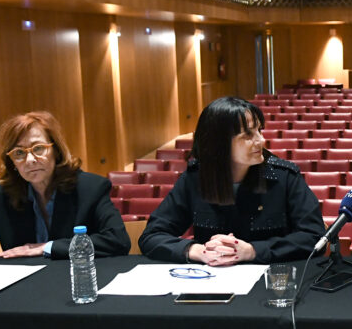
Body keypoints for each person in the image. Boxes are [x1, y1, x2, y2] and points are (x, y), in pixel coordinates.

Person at [0, 111, 130, 278]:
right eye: (19, 153)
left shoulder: (90, 188)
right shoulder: (2, 194)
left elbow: (117, 239)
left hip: (78, 282)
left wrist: (47, 248)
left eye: (38, 148)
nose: (30, 160)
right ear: (12, 162)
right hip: (25, 291)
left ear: (56, 151)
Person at [138, 96, 325, 264]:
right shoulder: (195, 179)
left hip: (271, 279)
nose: (261, 140)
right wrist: (197, 251)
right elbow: (152, 236)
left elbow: (315, 237)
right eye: (248, 135)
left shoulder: (285, 177)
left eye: (259, 130)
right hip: (212, 278)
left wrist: (252, 251)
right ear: (218, 144)